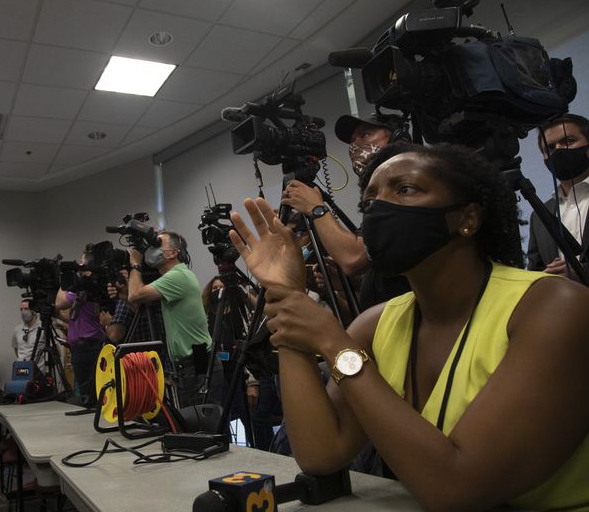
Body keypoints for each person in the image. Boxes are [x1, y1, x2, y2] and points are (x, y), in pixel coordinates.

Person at [229, 143, 589, 510]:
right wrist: (286, 295)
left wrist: (334, 344)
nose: (379, 208)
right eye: (369, 203)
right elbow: (322, 453)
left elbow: (456, 487)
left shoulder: (554, 308)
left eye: (404, 189)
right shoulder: (377, 323)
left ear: (467, 218)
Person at [281, 113, 411, 309]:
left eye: (365, 134)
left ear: (398, 136)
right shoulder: (376, 200)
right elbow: (388, 277)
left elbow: (353, 259)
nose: (355, 145)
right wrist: (346, 285)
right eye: (352, 140)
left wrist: (315, 208)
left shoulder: (408, 188)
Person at [126, 231, 224, 407]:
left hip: (197, 363)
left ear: (173, 252)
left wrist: (135, 265)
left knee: (204, 426)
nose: (151, 250)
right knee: (196, 424)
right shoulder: (174, 277)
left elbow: (134, 295)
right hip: (192, 362)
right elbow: (138, 305)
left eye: (158, 245)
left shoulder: (177, 276)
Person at [527, 113, 589, 277]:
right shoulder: (539, 216)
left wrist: (581, 273)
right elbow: (535, 270)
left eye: (568, 141)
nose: (559, 150)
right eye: (550, 148)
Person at [56, 249, 107, 408]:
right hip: (84, 347)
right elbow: (79, 319)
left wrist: (64, 279)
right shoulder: (84, 290)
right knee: (88, 391)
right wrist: (60, 317)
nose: (79, 266)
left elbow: (59, 302)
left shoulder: (86, 289)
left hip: (88, 347)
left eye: (82, 263)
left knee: (89, 392)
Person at [11, 299, 44, 366]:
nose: (23, 312)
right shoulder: (17, 330)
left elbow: (56, 351)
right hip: (21, 370)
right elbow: (16, 349)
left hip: (38, 371)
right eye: (21, 309)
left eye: (26, 309)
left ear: (33, 311)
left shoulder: (43, 328)